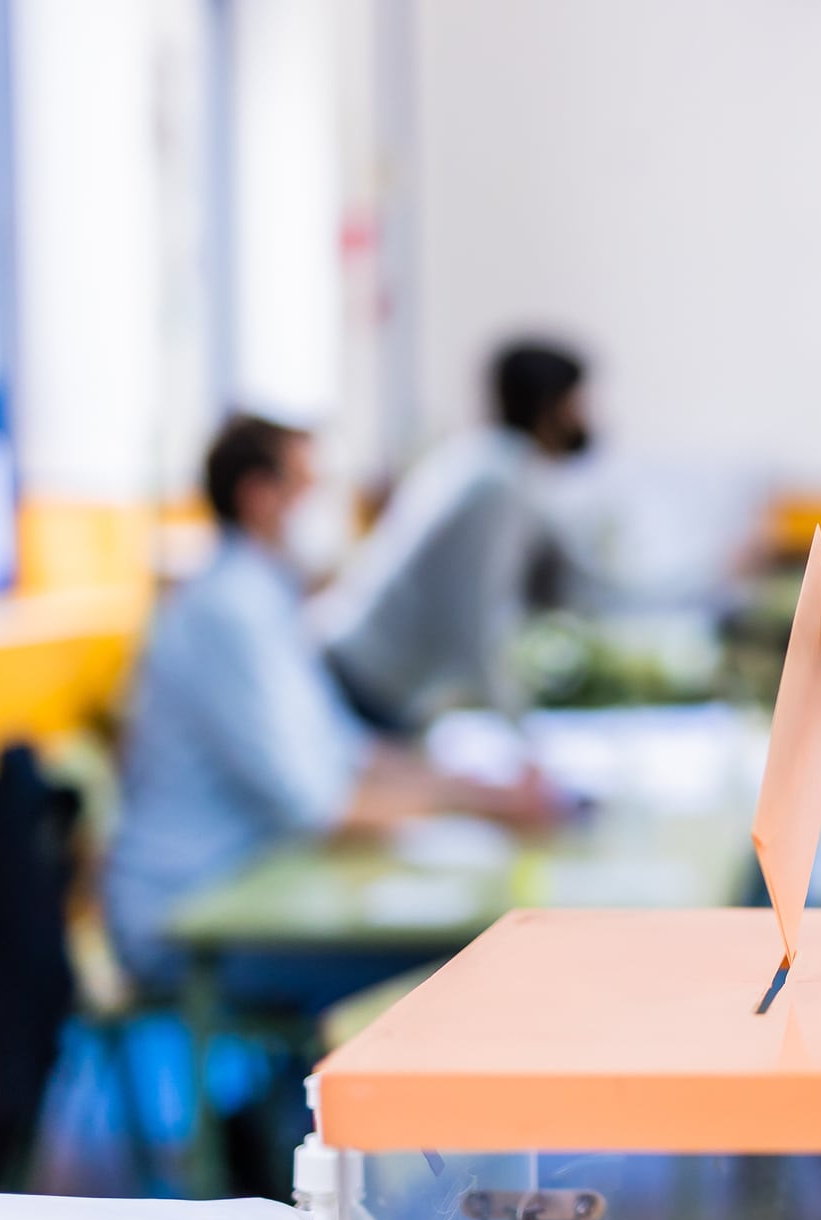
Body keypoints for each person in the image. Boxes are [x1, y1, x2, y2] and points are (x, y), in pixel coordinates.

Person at [105, 415, 550, 1010]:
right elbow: (318, 807)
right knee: (454, 969)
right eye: (308, 488)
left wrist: (469, 784)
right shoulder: (228, 611)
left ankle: (297, 1102)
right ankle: (307, 1105)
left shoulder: (263, 597)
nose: (324, 510)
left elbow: (347, 751)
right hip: (191, 916)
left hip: (257, 887)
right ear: (260, 497)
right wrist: (484, 805)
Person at [314, 340, 596, 731]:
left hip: (363, 672)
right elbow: (476, 616)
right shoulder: (498, 483)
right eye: (577, 403)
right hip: (364, 681)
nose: (586, 417)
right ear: (551, 406)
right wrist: (519, 730)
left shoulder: (483, 460)